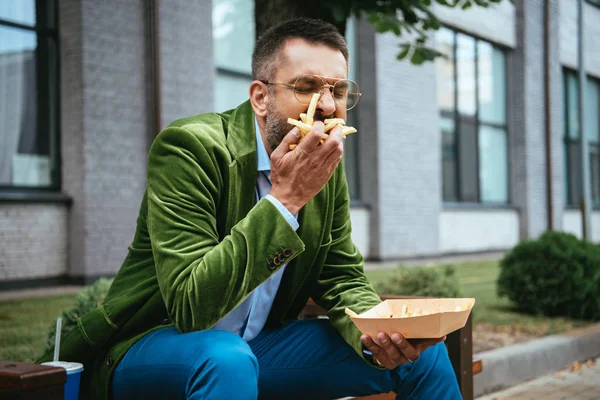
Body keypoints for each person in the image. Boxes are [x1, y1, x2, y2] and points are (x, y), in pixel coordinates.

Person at [39, 18, 461, 400]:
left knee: (422, 357)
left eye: (337, 90)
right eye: (307, 87)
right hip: (155, 348)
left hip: (259, 349)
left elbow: (342, 277)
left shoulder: (323, 166)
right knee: (225, 357)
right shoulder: (191, 148)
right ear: (260, 97)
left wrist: (379, 335)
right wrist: (285, 200)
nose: (328, 106)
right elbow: (192, 306)